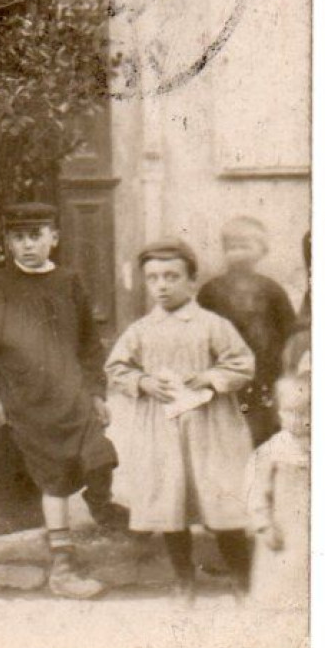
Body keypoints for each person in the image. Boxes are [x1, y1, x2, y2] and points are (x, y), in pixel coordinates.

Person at [0, 203, 126, 599]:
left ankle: (102, 506)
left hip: (72, 392)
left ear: (54, 237)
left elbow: (88, 342)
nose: (27, 245)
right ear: (8, 243)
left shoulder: (69, 281)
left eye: (36, 235)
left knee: (100, 453)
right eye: (18, 237)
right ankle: (62, 563)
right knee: (54, 477)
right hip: (26, 396)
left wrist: (96, 391)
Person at [106, 238, 256, 601]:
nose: (162, 285)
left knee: (220, 498)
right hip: (161, 427)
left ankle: (242, 578)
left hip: (210, 426)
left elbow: (243, 364)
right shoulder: (141, 330)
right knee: (169, 500)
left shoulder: (212, 325)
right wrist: (143, 381)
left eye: (172, 276)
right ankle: (184, 579)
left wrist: (208, 377)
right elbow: (116, 367)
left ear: (191, 281)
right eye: (154, 278)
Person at [197, 216, 297, 446]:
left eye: (245, 246)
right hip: (225, 367)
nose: (238, 252)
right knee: (225, 422)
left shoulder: (272, 289)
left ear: (262, 250)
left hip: (263, 368)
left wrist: (283, 366)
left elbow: (287, 329)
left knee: (262, 425)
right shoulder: (211, 290)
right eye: (232, 247)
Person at [247, 372, 309, 609]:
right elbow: (257, 492)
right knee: (280, 586)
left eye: (305, 413)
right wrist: (263, 524)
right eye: (288, 412)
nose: (296, 419)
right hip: (283, 528)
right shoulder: (272, 451)